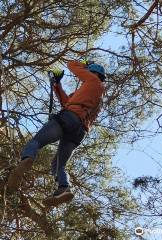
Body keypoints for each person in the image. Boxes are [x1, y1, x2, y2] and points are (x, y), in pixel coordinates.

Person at [7, 60, 105, 207]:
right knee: (59, 165)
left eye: (88, 71)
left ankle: (26, 159)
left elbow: (72, 65)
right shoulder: (96, 96)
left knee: (37, 141)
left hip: (70, 118)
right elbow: (67, 102)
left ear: (94, 73)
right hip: (79, 131)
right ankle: (64, 188)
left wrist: (84, 63)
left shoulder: (93, 80)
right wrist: (57, 84)